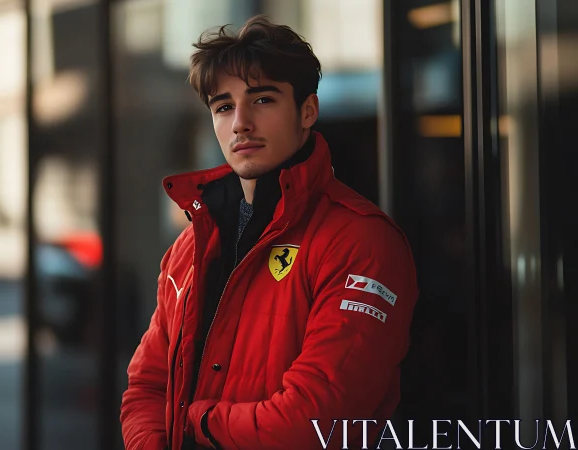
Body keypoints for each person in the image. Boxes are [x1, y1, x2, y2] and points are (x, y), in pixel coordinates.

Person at [120, 15, 418, 450]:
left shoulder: (362, 242)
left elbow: (313, 421)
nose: (240, 122)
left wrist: (193, 421)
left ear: (307, 112)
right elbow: (146, 386)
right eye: (223, 106)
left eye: (261, 100)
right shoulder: (190, 248)